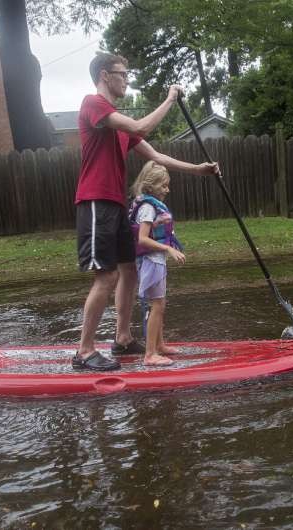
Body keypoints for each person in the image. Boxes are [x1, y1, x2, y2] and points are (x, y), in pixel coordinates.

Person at [73, 52, 219, 371]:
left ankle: (123, 339)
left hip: (115, 204)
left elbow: (157, 156)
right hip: (95, 202)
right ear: (103, 75)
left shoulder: (120, 127)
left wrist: (198, 169)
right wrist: (169, 99)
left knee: (130, 270)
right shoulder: (93, 104)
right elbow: (142, 123)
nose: (126, 79)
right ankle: (84, 352)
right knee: (107, 275)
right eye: (122, 73)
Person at [129, 161, 185, 366]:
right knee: (157, 305)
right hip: (151, 260)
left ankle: (159, 345)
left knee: (159, 304)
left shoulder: (150, 205)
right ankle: (150, 353)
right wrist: (168, 249)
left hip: (155, 260)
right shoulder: (147, 208)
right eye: (164, 185)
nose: (167, 189)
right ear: (151, 186)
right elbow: (143, 239)